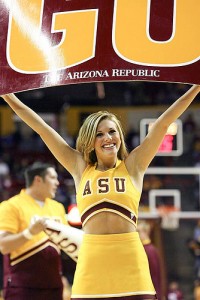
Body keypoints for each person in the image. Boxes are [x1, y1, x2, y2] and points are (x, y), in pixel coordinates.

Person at [1, 84, 200, 300]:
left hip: (130, 261)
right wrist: (7, 94)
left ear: (120, 136)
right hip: (91, 264)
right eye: (100, 134)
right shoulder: (80, 168)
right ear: (90, 141)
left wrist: (196, 88)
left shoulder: (133, 165)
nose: (108, 138)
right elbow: (41, 128)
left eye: (112, 131)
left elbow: (162, 125)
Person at [0, 162, 68, 300]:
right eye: (53, 178)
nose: (57, 183)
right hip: (22, 287)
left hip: (54, 286)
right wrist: (29, 233)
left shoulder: (58, 207)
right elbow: (4, 246)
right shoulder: (11, 205)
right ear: (38, 180)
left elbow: (65, 245)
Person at [137, 221, 162, 299]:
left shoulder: (149, 250)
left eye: (138, 231)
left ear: (146, 232)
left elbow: (154, 276)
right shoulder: (142, 248)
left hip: (148, 293)